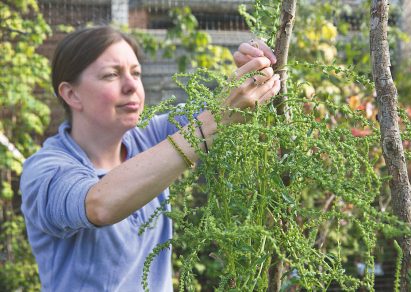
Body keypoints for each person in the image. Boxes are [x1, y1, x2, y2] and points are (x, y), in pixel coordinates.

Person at [20, 26, 280, 291]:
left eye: (136, 73)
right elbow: (99, 204)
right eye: (111, 75)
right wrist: (218, 117)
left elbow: (221, 110)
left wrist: (255, 72)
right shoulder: (45, 170)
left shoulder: (150, 136)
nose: (132, 86)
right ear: (71, 94)